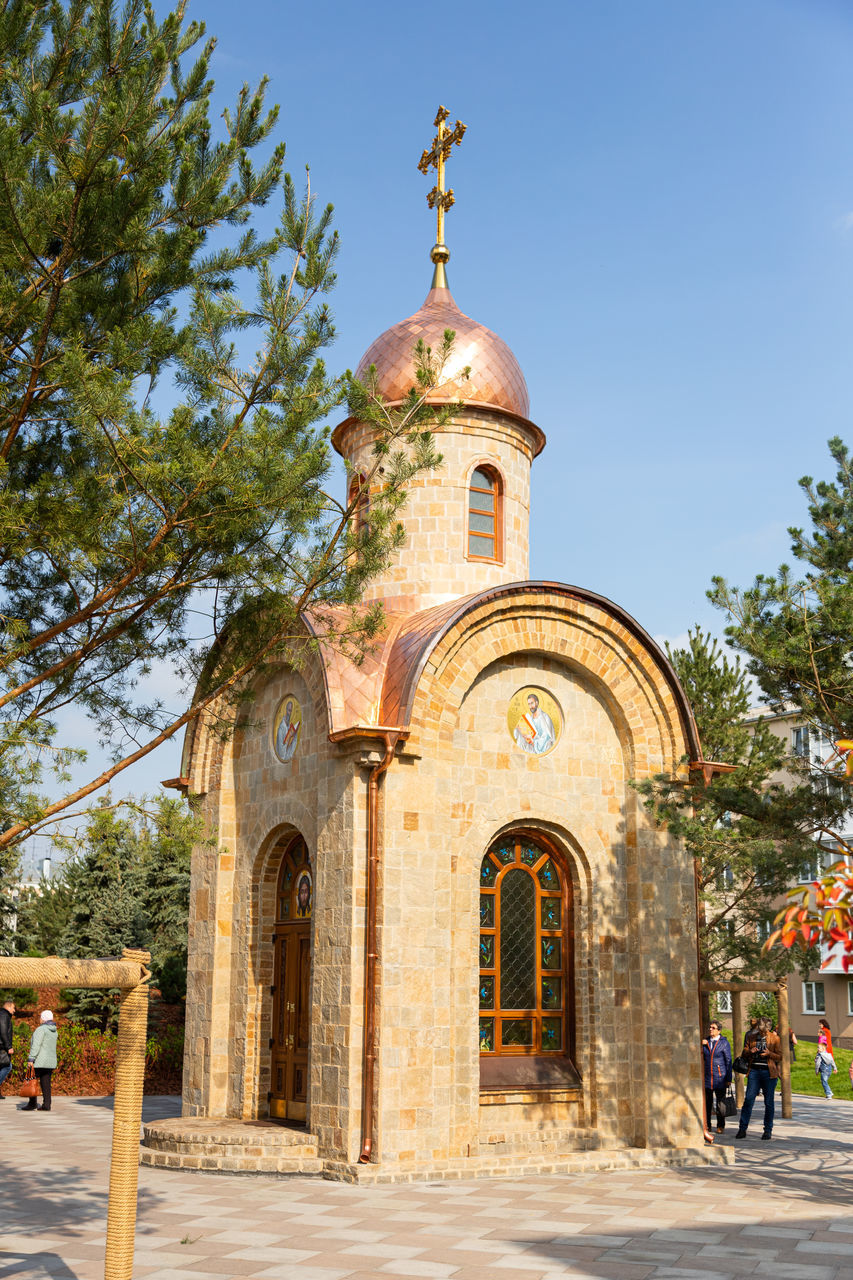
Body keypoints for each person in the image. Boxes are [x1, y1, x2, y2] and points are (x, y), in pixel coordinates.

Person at [735, 1015, 782, 1140]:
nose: (762, 1033)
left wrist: (769, 1053)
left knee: (769, 1102)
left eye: (765, 1031)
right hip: (754, 1071)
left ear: (768, 1028)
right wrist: (751, 1051)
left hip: (769, 1072)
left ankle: (767, 1130)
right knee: (749, 1100)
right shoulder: (751, 1037)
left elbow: (780, 1056)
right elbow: (744, 1053)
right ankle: (742, 1129)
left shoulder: (775, 1038)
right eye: (761, 1030)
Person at [21, 1009, 57, 1112]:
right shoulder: (54, 1030)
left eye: (41, 1017)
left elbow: (36, 1045)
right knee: (46, 1083)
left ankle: (32, 1104)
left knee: (32, 1080)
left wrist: (31, 1058)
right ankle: (47, 1105)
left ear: (44, 1019)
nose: (40, 1019)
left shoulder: (41, 1030)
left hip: (39, 1061)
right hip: (50, 1062)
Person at [702, 1020, 733, 1134]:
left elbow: (728, 1061)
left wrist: (728, 1078)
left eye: (713, 1028)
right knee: (707, 1103)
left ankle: (721, 1125)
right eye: (710, 1027)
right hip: (707, 1078)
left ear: (719, 1030)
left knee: (720, 1104)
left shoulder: (724, 1043)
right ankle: (707, 1125)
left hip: (720, 1077)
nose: (710, 1029)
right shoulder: (706, 1042)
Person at [815, 1017, 837, 1099]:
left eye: (820, 1024)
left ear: (823, 1024)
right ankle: (828, 1092)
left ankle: (829, 1092)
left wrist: (820, 1051)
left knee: (824, 1073)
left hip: (825, 1051)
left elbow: (824, 1042)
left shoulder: (824, 1031)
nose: (819, 1025)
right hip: (826, 1051)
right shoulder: (827, 1031)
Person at [0, 998, 14, 1098]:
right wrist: (9, 1046)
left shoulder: (3, 1015)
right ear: (8, 1006)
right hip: (2, 1047)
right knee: (7, 1066)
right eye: (13, 1008)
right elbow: (3, 1032)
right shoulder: (4, 1016)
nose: (14, 1010)